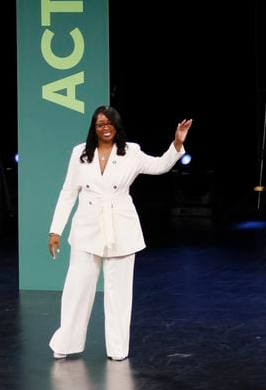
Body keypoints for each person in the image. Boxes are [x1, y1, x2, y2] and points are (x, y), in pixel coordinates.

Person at [47, 105, 192, 361]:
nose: (105, 127)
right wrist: (55, 230)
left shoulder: (131, 152)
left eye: (110, 123)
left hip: (121, 229)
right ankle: (65, 343)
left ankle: (117, 349)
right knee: (76, 289)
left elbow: (159, 166)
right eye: (100, 123)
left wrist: (177, 144)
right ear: (94, 127)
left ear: (116, 126)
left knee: (119, 295)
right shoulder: (79, 153)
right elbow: (68, 192)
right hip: (86, 229)